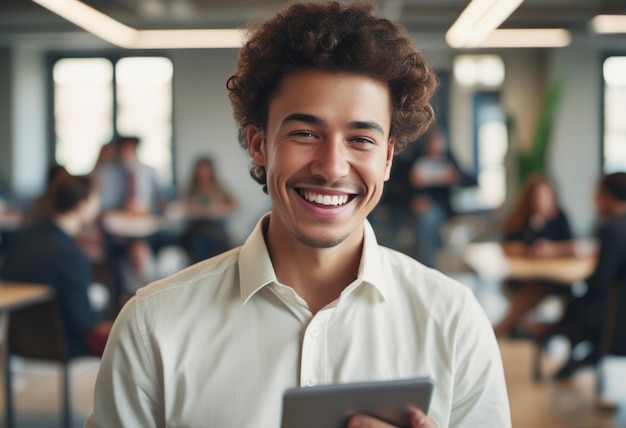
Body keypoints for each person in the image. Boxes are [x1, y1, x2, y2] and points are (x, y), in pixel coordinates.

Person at [86, 3, 511, 427]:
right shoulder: (152, 327)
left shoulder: (454, 323)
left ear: (387, 159)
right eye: (305, 133)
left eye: (361, 139)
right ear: (258, 144)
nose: (331, 167)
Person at [1, 171, 112, 357]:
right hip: (63, 347)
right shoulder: (72, 255)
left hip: (19, 343)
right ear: (82, 206)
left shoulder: (24, 236)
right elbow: (84, 324)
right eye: (96, 201)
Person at [543, 172, 626, 380]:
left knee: (572, 306)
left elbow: (599, 282)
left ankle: (558, 344)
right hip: (618, 313)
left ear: (606, 196)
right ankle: (579, 360)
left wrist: (581, 277)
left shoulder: (612, 229)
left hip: (613, 317)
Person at [493, 174, 575, 337]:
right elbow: (506, 245)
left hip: (553, 279)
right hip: (524, 278)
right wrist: (525, 250)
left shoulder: (559, 218)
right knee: (531, 288)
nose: (541, 200)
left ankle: (501, 329)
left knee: (535, 289)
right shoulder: (521, 219)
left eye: (545, 195)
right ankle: (520, 329)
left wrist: (552, 250)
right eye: (538, 196)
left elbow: (571, 246)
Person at [409, 125, 475, 267]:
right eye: (432, 143)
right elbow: (396, 186)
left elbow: (473, 180)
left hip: (443, 209)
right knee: (425, 220)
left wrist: (456, 178)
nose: (436, 148)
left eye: (439, 143)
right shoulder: (416, 160)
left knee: (428, 221)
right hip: (415, 209)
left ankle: (427, 266)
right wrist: (413, 196)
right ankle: (426, 263)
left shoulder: (448, 160)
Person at [180, 156, 237, 263]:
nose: (203, 173)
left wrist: (219, 208)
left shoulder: (218, 187)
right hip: (196, 227)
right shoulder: (190, 189)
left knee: (216, 241)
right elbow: (182, 207)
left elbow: (234, 204)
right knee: (199, 242)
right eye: (201, 170)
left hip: (215, 226)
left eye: (206, 170)